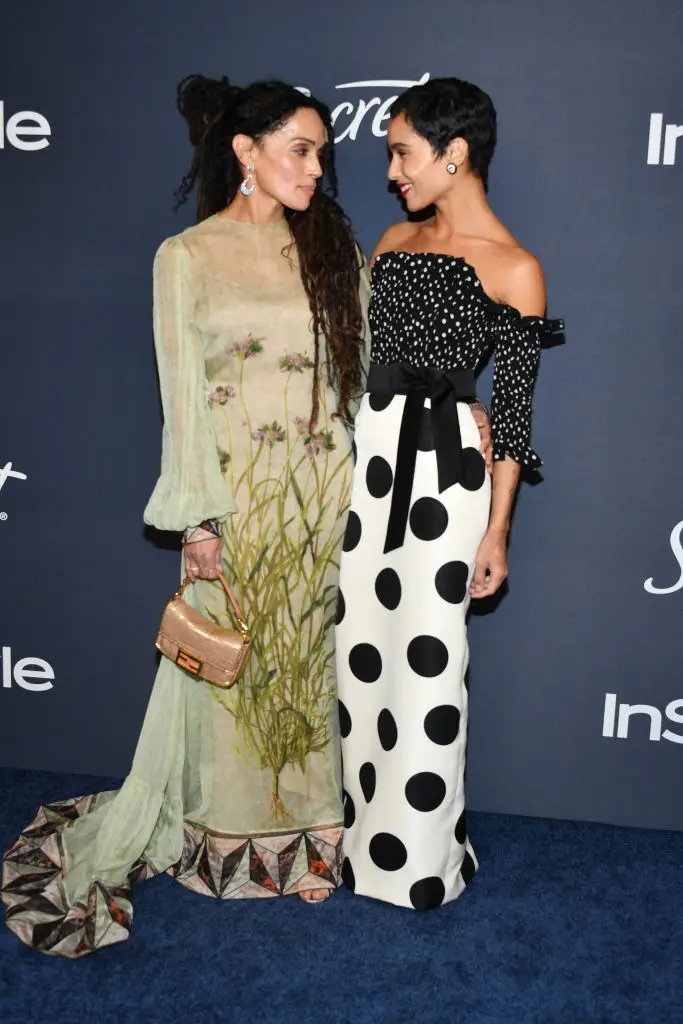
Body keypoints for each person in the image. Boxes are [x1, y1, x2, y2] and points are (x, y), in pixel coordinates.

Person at [2, 75, 493, 956]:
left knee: (313, 670)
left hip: (337, 495)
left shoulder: (334, 242)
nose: (319, 169)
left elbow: (376, 370)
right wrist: (198, 522)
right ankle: (231, 845)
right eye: (300, 150)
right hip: (242, 503)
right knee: (241, 678)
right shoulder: (184, 256)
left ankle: (313, 843)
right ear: (246, 152)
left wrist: (459, 408)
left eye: (321, 153)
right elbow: (181, 403)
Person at [335, 76, 563, 911]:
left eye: (402, 151)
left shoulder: (517, 270)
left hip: (445, 482)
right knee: (360, 662)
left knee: (429, 670)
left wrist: (496, 533)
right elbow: (353, 360)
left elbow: (511, 411)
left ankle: (419, 861)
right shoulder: (391, 240)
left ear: (453, 153)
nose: (392, 170)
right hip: (368, 469)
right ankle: (360, 841)